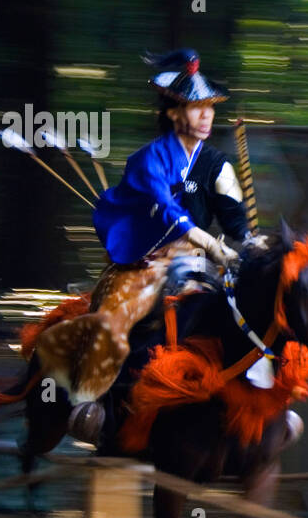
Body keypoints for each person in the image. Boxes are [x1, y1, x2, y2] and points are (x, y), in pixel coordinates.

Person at [35, 49, 262, 445]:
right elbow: (169, 211)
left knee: (258, 313)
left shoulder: (219, 165)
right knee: (112, 321)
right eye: (196, 107)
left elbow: (235, 220)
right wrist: (211, 244)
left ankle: (262, 405)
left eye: (210, 107)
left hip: (202, 265)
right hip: (147, 264)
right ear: (174, 113)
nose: (207, 115)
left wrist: (251, 241)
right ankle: (89, 403)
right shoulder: (147, 160)